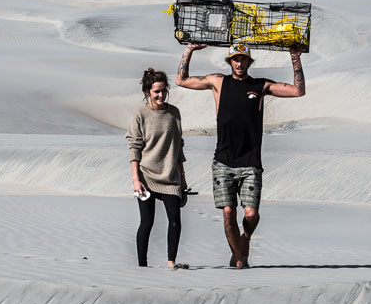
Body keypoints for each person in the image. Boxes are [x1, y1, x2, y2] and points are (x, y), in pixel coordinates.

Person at [175, 41, 305, 268]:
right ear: (230, 61)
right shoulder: (218, 82)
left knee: (251, 214)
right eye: (235, 59)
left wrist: (295, 58)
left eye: (243, 59)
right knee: (228, 213)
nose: (239, 63)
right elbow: (181, 80)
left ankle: (245, 239)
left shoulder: (260, 85)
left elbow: (297, 91)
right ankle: (238, 259)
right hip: (223, 160)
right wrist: (189, 50)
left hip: (250, 161)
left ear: (249, 61)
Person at [126, 68, 189, 269]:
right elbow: (134, 148)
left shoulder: (174, 113)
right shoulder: (140, 114)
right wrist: (136, 179)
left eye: (163, 90)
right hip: (146, 177)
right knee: (147, 223)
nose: (160, 95)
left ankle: (171, 262)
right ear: (147, 92)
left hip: (170, 177)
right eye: (156, 92)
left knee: (175, 221)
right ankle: (142, 266)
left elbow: (178, 146)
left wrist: (183, 177)